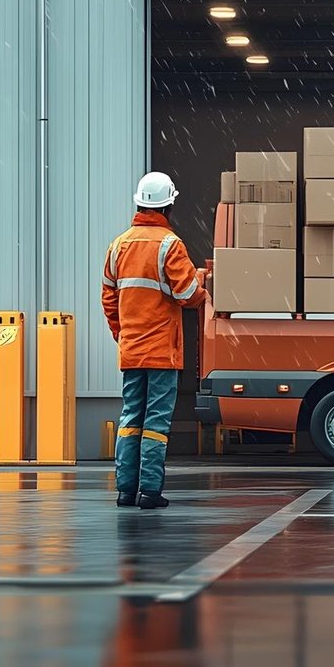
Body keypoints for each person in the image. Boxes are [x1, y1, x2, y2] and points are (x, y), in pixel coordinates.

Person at [101, 171, 207, 509]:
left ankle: (125, 490)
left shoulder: (118, 245)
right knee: (156, 421)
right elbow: (187, 293)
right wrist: (204, 288)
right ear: (169, 206)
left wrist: (122, 333)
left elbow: (109, 295)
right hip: (162, 350)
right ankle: (149, 490)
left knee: (131, 417)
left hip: (132, 348)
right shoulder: (169, 245)